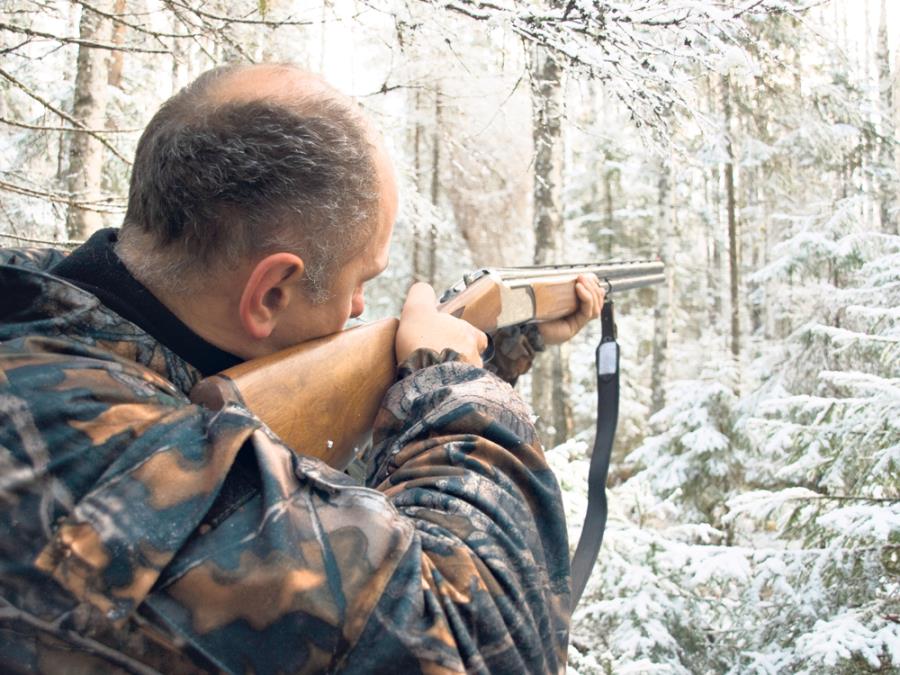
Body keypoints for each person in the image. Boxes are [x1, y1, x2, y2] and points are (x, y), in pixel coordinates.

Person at [0, 64, 604, 673]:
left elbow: (321, 495)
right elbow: (487, 637)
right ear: (270, 294)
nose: (361, 308)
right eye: (360, 281)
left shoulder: (51, 335)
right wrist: (450, 378)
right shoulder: (120, 459)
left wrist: (505, 344)